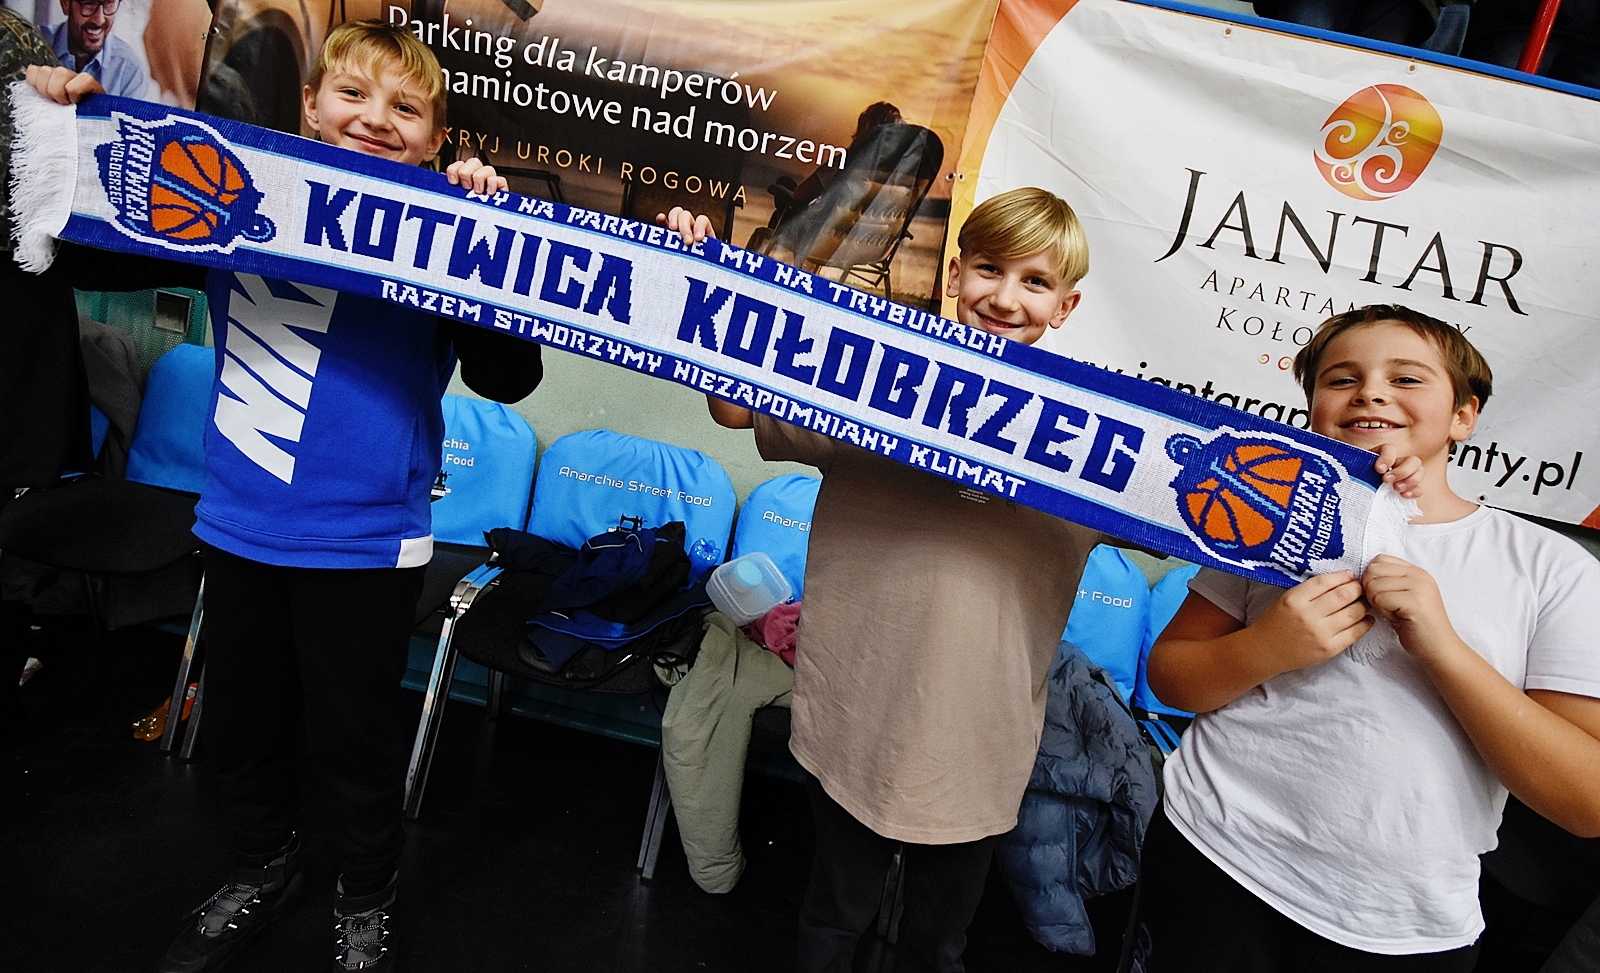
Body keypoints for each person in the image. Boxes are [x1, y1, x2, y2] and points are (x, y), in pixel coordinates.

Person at [707, 191, 1420, 972]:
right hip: (853, 719)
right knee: (832, 918)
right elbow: (734, 407)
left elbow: (1263, 516)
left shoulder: (1096, 437)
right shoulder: (880, 383)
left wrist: (1371, 474)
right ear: (955, 275)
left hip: (982, 746)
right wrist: (706, 276)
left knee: (937, 942)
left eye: (1036, 281)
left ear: (1065, 305)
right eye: (989, 270)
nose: (1006, 297)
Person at [1135, 305, 1600, 971]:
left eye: (1406, 378)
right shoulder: (1263, 515)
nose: (1371, 393)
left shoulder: (1550, 568)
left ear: (1463, 416)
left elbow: (1586, 801)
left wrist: (1444, 648)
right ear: (1312, 410)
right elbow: (1171, 675)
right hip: (1213, 850)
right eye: (1341, 379)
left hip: (1400, 919)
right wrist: (1268, 646)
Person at [48, 0, 151, 98]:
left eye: (109, 3)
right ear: (65, 3)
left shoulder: (128, 69)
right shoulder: (39, 45)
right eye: (89, 3)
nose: (99, 20)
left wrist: (102, 103)